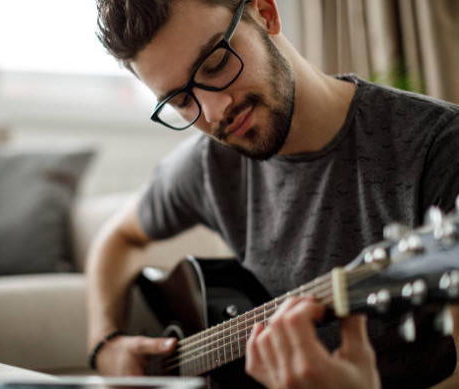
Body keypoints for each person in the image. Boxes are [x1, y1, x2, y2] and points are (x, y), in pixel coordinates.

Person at [85, 0, 459, 388]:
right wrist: (104, 345)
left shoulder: (437, 147)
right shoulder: (208, 165)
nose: (214, 112)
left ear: (266, 13)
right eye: (181, 100)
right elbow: (117, 238)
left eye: (215, 63)